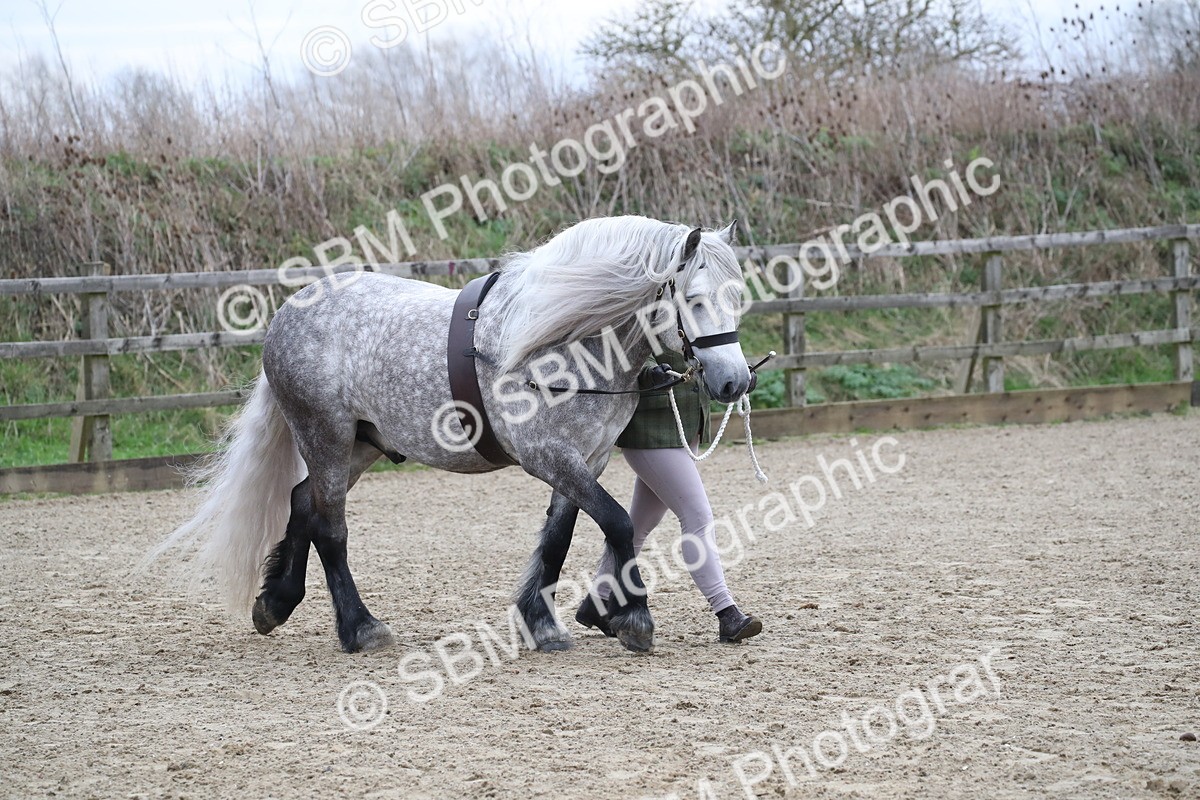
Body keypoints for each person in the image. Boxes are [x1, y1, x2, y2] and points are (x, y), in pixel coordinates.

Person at [574, 349, 762, 643]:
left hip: (685, 429)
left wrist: (735, 375)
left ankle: (597, 603)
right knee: (697, 517)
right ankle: (727, 613)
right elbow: (628, 349)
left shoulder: (694, 319)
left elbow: (708, 361)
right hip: (652, 433)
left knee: (638, 528)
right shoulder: (650, 308)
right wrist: (651, 371)